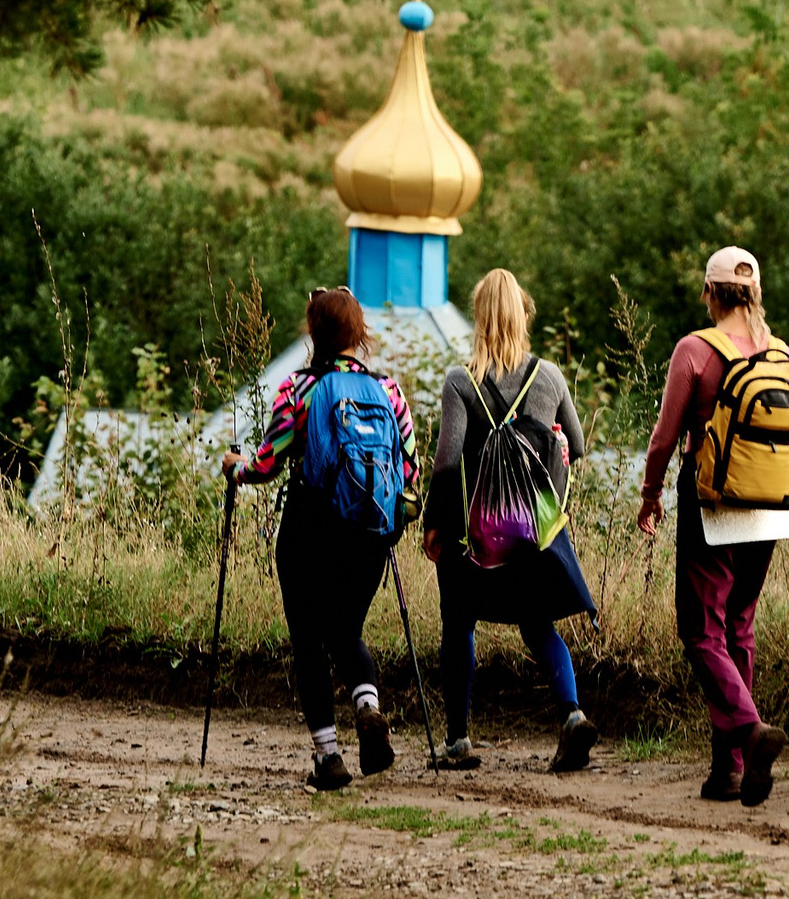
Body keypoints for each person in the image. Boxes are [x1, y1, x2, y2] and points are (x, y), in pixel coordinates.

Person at [636, 246, 789, 807]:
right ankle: (729, 772)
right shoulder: (783, 355)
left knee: (700, 631)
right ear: (756, 294)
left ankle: (748, 731)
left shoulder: (694, 351)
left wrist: (650, 497)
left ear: (710, 293)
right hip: (773, 508)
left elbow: (665, 440)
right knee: (738, 627)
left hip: (713, 504)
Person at [225, 287, 420, 791]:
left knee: (309, 641)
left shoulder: (296, 390)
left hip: (310, 530)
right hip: (370, 533)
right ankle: (369, 707)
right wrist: (393, 523)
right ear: (359, 334)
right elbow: (411, 475)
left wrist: (236, 469)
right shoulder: (390, 393)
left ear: (315, 333)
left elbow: (268, 464)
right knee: (346, 631)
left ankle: (329, 758)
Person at [421, 268, 599, 773]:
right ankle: (571, 716)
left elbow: (448, 460)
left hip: (471, 536)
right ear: (523, 315)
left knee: (458, 625)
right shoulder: (549, 376)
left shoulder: (462, 381)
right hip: (532, 533)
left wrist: (433, 522)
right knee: (537, 624)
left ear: (479, 318)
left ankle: (458, 741)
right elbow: (579, 447)